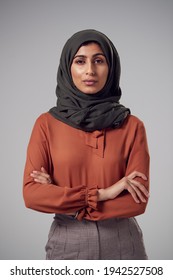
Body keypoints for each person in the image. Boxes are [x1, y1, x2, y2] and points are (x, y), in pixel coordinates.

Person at [23, 29, 150, 260]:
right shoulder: (46, 124)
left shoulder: (132, 126)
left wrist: (60, 196)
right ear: (67, 67)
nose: (90, 70)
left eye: (99, 61)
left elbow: (136, 202)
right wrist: (103, 194)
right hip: (68, 244)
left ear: (111, 68)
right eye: (80, 61)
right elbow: (32, 194)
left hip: (124, 246)